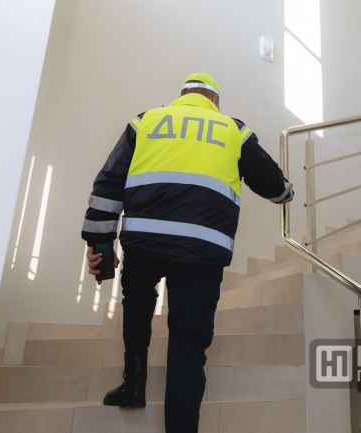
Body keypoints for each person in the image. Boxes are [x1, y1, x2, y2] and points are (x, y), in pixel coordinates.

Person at [80, 72, 294, 433]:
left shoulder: (146, 121)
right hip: (201, 250)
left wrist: (100, 243)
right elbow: (270, 183)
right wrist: (286, 192)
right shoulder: (232, 129)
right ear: (215, 101)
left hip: (144, 242)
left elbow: (109, 183)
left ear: (182, 96)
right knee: (188, 345)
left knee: (137, 302)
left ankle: (133, 386)